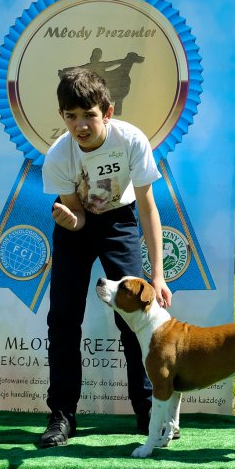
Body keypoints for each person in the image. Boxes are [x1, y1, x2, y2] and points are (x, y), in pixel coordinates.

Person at [39, 68, 172, 447]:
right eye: (71, 116)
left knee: (135, 317)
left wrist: (157, 275)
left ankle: (148, 411)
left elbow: (148, 207)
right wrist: (70, 219)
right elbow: (77, 217)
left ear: (107, 111)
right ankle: (61, 416)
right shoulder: (57, 157)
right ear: (63, 116)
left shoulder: (130, 140)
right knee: (63, 320)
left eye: (88, 115)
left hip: (120, 220)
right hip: (74, 229)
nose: (80, 126)